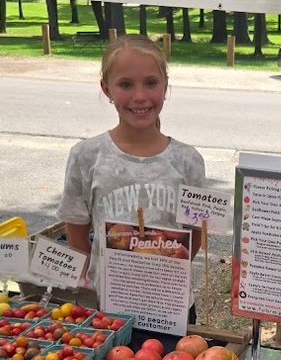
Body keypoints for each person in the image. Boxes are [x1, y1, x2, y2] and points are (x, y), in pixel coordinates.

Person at [58, 34, 206, 306]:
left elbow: (195, 236)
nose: (140, 97)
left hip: (171, 309)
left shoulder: (188, 160)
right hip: (108, 307)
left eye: (151, 83)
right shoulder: (86, 157)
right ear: (106, 89)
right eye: (125, 84)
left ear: (165, 86)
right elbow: (78, 240)